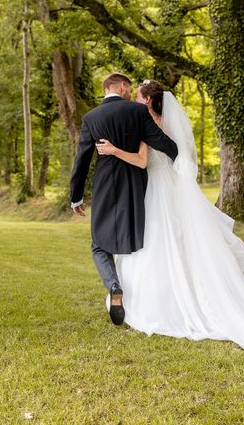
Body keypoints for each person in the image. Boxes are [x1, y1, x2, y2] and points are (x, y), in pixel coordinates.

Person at [95, 79, 244, 366]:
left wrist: (113, 151)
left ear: (147, 101)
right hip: (169, 188)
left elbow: (143, 161)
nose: (133, 99)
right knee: (174, 242)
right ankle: (183, 292)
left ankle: (154, 304)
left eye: (138, 96)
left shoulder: (146, 124)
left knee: (156, 241)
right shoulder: (165, 124)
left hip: (154, 190)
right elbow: (176, 154)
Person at [69, 73, 178, 326]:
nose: (131, 93)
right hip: (137, 184)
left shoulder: (91, 118)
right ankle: (149, 294)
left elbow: (82, 161)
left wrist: (76, 197)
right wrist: (179, 158)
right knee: (137, 236)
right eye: (129, 88)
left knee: (99, 244)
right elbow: (161, 143)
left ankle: (114, 285)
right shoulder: (137, 112)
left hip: (106, 184)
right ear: (121, 86)